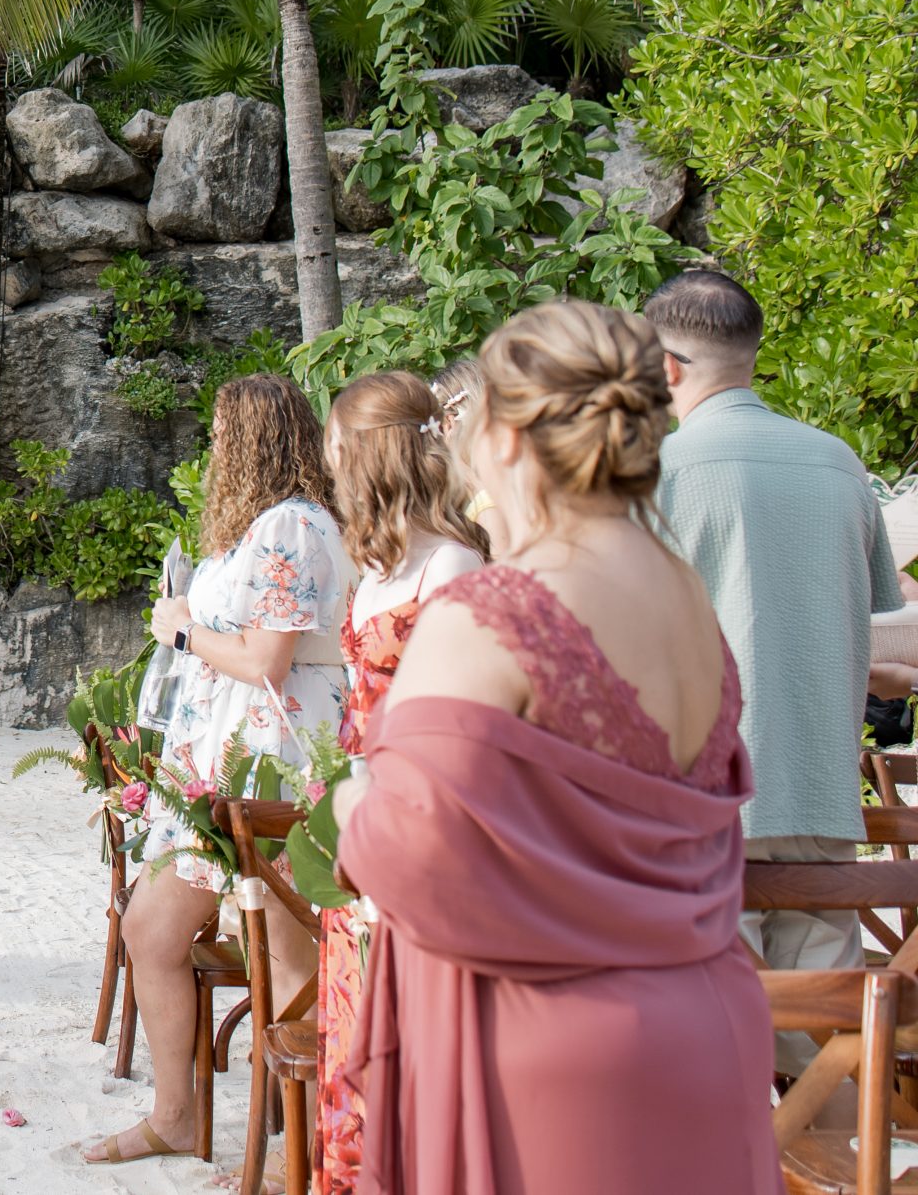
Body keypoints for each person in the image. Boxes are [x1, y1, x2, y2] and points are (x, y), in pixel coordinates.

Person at [334, 299, 776, 1194]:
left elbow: (402, 851)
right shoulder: (689, 595)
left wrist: (348, 803)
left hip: (559, 1061)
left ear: (500, 441)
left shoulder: (493, 612)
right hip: (709, 1025)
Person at [84, 374, 349, 1166]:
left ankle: (312, 1146)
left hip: (269, 766)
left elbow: (269, 657)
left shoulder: (294, 527)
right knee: (173, 928)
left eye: (223, 433)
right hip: (226, 766)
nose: (213, 447)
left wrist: (180, 632)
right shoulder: (264, 527)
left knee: (285, 952)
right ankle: (182, 1114)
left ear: (256, 440)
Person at [644, 268, 899, 1077]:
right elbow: (877, 624)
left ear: (668, 366)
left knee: (714, 1056)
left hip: (703, 801)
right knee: (819, 1056)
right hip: (824, 797)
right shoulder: (839, 464)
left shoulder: (658, 472)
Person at [313, 371, 486, 1195]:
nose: (330, 460)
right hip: (361, 824)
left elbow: (460, 724)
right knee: (349, 1048)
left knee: (406, 1060)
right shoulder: (380, 563)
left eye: (339, 446)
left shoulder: (452, 564)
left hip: (420, 833)